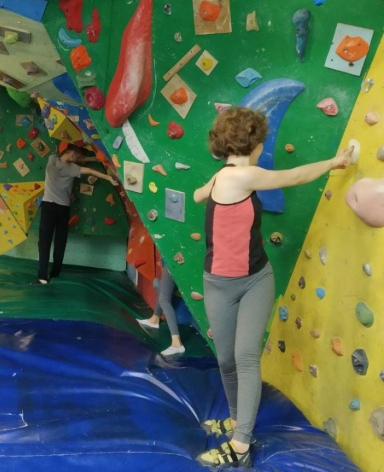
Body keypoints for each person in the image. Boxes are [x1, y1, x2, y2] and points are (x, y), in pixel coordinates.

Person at [192, 107, 352, 468]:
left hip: (255, 280)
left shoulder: (232, 176)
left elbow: (201, 195)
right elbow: (294, 175)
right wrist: (334, 161)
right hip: (218, 284)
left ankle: (240, 444)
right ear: (256, 146)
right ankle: (236, 418)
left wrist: (206, 190)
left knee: (245, 357)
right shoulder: (238, 176)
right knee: (226, 359)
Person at [37, 144, 118, 284]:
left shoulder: (52, 159)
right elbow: (90, 170)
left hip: (48, 206)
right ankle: (55, 272)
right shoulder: (72, 168)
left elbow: (78, 159)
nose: (78, 159)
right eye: (77, 156)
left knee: (44, 241)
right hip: (63, 208)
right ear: (72, 154)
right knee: (60, 241)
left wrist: (92, 158)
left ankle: (42, 276)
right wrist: (108, 177)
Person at [136, 264, 185, 356]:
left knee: (164, 299)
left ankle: (177, 343)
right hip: (175, 262)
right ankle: (155, 319)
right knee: (160, 287)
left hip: (176, 262)